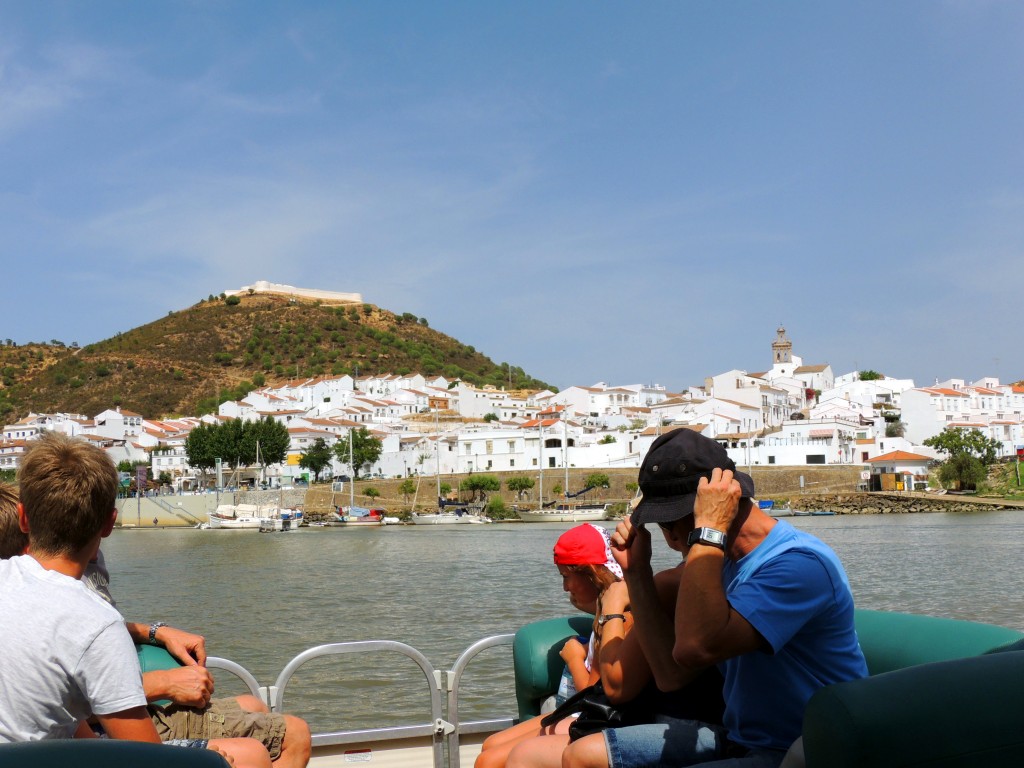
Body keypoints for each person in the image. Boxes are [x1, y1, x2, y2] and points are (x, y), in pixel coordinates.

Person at [564, 429, 868, 768]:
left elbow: (696, 648)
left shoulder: (799, 564)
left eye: (669, 521)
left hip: (803, 748)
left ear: (715, 507)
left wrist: (708, 530)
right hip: (741, 739)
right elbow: (671, 675)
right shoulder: (720, 564)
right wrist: (636, 574)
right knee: (580, 756)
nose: (668, 537)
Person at [0, 442, 271, 768]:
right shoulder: (96, 624)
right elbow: (149, 760)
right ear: (109, 523)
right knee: (242, 758)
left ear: (24, 518)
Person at [502, 522, 724, 768]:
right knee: (494, 749)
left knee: (512, 756)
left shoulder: (627, 608)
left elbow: (611, 689)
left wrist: (581, 650)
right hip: (608, 710)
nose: (564, 587)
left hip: (610, 715)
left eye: (567, 577)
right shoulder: (614, 605)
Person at [83, 551, 312, 768]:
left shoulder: (79, 565)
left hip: (130, 708)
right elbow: (67, 702)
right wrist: (164, 683)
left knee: (256, 706)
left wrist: (155, 632)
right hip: (103, 727)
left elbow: (101, 630)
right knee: (282, 739)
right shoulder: (60, 585)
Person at [475, 523, 628, 768]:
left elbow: (590, 695)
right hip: (580, 711)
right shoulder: (604, 607)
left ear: (592, 573)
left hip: (591, 716)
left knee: (488, 761)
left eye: (567, 577)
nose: (565, 587)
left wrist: (574, 659)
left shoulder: (613, 616)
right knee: (490, 745)